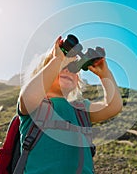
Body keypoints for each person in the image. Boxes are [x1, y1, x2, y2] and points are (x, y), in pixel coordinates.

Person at [18, 36, 123, 173]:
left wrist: (105, 74)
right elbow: (29, 97)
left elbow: (113, 106)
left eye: (73, 69)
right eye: (62, 67)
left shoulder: (80, 109)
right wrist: (57, 59)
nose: (68, 70)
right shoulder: (36, 105)